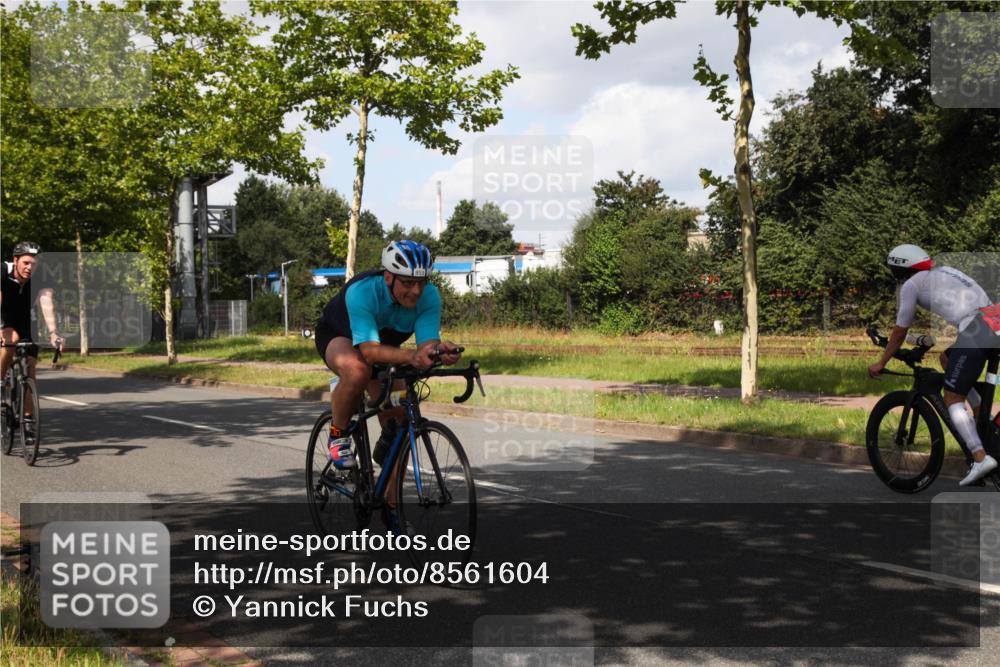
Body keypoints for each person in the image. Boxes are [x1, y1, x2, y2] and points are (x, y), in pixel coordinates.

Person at [313, 240, 462, 473]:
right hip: (340, 335)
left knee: (399, 426)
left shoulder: (429, 297)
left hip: (385, 347)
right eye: (408, 282)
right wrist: (413, 357)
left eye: (421, 283)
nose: (416, 291)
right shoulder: (363, 292)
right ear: (388, 277)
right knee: (358, 370)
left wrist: (439, 352)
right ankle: (337, 434)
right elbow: (370, 353)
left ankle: (390, 506)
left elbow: (427, 345)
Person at [868, 244, 999, 486]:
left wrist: (881, 362)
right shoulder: (945, 271)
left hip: (976, 329)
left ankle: (980, 458)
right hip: (991, 320)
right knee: (947, 360)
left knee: (952, 397)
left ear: (898, 269)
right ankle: (984, 427)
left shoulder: (910, 285)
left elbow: (899, 330)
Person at [1, 241, 65, 423]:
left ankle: (28, 419)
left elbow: (46, 303)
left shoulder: (42, 276)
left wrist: (53, 333)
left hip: (27, 320)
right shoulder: (3, 271)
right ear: (16, 260)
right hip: (3, 316)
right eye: (26, 263)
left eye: (34, 264)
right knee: (10, 339)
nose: (30, 268)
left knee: (29, 367)